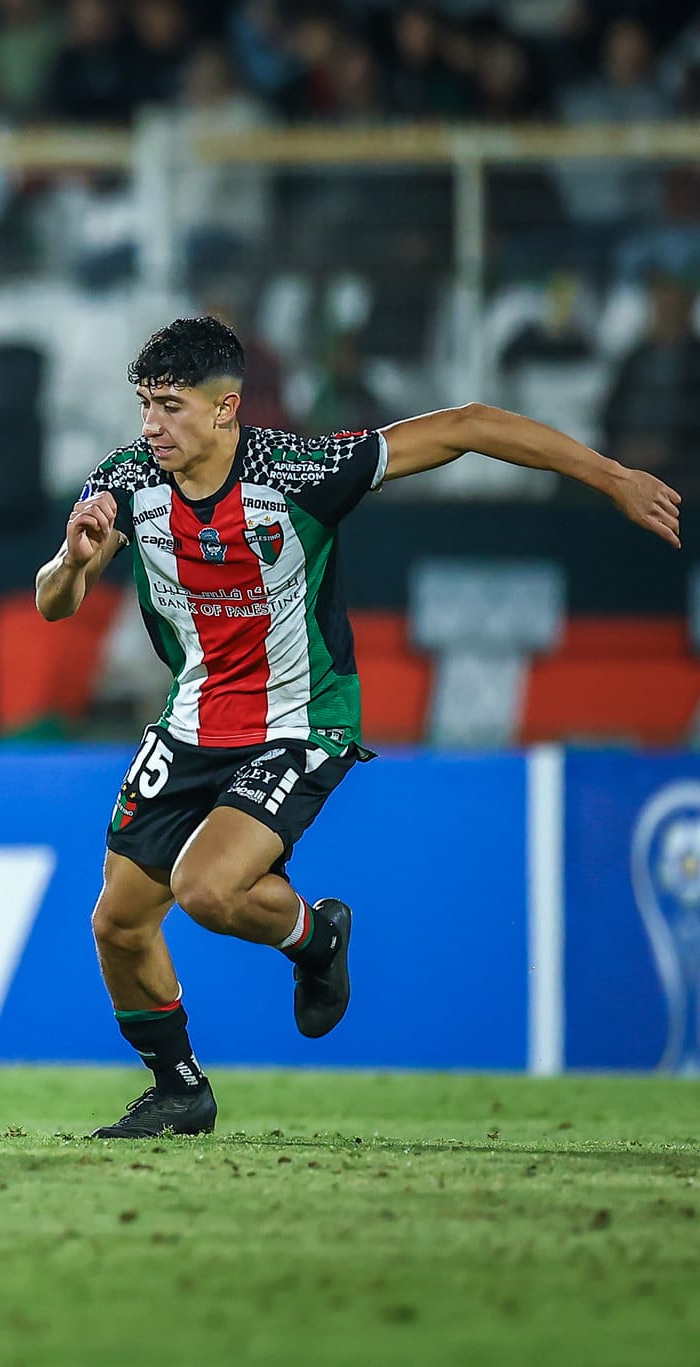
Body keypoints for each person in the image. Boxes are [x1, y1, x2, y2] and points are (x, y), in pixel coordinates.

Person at [36, 316, 681, 1139]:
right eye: (145, 405)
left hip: (301, 718)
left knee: (206, 888)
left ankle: (312, 940)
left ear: (227, 407)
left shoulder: (296, 470)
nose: (152, 425)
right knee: (116, 922)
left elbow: (469, 424)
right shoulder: (124, 482)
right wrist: (72, 557)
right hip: (191, 719)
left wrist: (611, 475)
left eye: (170, 405)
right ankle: (179, 1088)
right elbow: (56, 605)